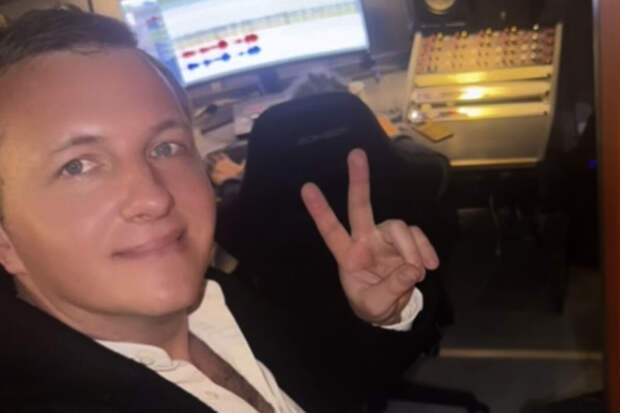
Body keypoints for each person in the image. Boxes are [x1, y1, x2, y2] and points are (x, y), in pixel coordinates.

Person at [0, 7, 440, 413]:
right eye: (77, 166)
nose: (154, 198)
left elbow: (332, 387)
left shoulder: (220, 299)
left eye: (165, 147)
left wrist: (381, 316)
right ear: (5, 240)